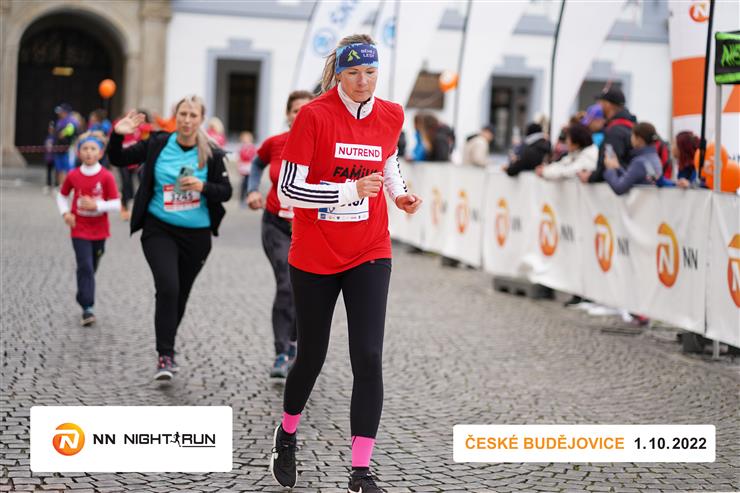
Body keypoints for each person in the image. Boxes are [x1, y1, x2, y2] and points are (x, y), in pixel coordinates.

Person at [268, 34, 422, 493]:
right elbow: (288, 190)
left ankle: (360, 471)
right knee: (311, 356)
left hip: (369, 248)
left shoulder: (391, 114)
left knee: (369, 355)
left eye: (370, 72)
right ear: (338, 73)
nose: (363, 82)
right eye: (353, 73)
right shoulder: (314, 116)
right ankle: (287, 432)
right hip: (315, 252)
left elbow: (387, 159)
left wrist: (399, 194)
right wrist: (349, 192)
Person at [107, 96, 233, 381]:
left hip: (197, 237)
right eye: (182, 114)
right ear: (175, 116)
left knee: (180, 294)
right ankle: (165, 354)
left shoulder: (212, 153)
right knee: (168, 287)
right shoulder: (158, 143)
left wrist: (202, 186)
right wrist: (117, 134)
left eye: (193, 115)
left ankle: (168, 343)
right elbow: (117, 159)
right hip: (159, 229)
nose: (187, 120)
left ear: (201, 119)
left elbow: (226, 192)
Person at [246, 90, 313, 378]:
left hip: (310, 230)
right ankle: (281, 352)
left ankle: (297, 344)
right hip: (276, 224)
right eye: (296, 110)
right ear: (288, 115)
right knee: (287, 283)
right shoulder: (275, 143)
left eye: (306, 110)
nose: (300, 115)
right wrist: (252, 189)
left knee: (306, 290)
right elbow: (257, 163)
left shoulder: (323, 144)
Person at [56, 131, 121, 326]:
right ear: (79, 152)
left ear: (100, 153)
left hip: (100, 231)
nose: (89, 152)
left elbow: (116, 204)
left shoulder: (106, 176)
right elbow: (61, 195)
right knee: (85, 266)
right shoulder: (73, 175)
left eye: (93, 149)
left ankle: (83, 292)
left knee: (91, 267)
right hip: (79, 229)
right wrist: (65, 213)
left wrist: (97, 205)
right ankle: (87, 307)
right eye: (85, 148)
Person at [578, 87, 636, 184]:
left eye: (601, 102)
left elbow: (609, 164)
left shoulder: (615, 131)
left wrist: (591, 177)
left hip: (616, 189)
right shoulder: (631, 125)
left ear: (608, 104)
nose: (599, 105)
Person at [603, 122, 662, 195]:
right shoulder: (654, 157)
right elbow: (633, 178)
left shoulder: (639, 162)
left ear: (639, 139)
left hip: (642, 201)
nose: (630, 138)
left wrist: (610, 169)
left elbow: (619, 188)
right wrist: (617, 168)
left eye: (632, 135)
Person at [116, 110, 152, 221]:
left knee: (142, 183)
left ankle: (140, 207)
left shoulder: (142, 128)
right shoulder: (120, 126)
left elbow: (147, 142)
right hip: (124, 160)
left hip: (137, 162)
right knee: (126, 183)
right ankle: (125, 206)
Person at [53, 103, 79, 185]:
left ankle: (69, 186)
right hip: (58, 149)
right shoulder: (60, 121)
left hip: (67, 149)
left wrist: (63, 133)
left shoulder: (71, 121)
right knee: (59, 169)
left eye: (61, 112)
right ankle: (61, 186)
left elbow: (70, 131)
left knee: (68, 169)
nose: (59, 114)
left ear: (65, 112)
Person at [238, 131, 257, 203]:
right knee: (243, 184)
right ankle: (242, 198)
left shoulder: (252, 147)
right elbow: (240, 158)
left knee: (248, 183)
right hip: (243, 168)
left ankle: (247, 198)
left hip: (249, 167)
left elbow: (253, 158)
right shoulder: (242, 147)